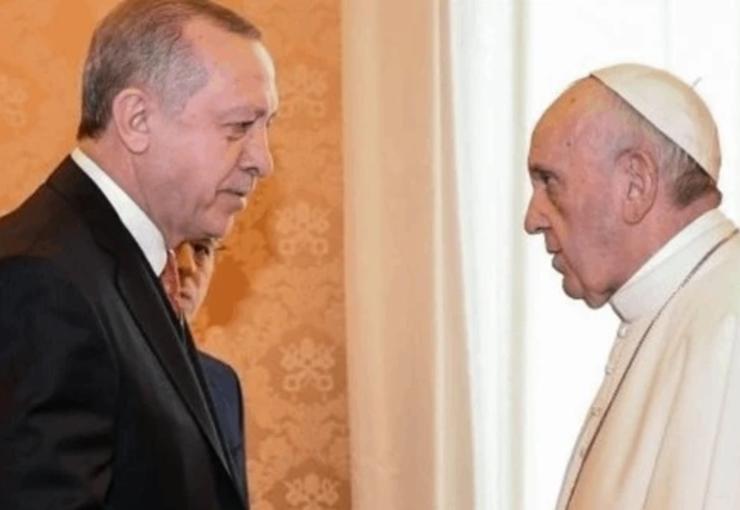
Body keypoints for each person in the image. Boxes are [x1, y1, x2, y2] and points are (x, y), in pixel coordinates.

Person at [0, 0, 278, 508]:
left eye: (267, 127)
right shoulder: (41, 279)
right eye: (239, 126)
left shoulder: (118, 267)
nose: (263, 160)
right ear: (136, 119)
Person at [525, 63, 740, 509]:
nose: (532, 219)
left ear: (635, 185)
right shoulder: (677, 306)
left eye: (549, 182)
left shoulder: (729, 321)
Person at [175, 238, 249, 504]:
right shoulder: (98, 367)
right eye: (169, 246)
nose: (187, 266)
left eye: (201, 249)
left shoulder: (223, 383)